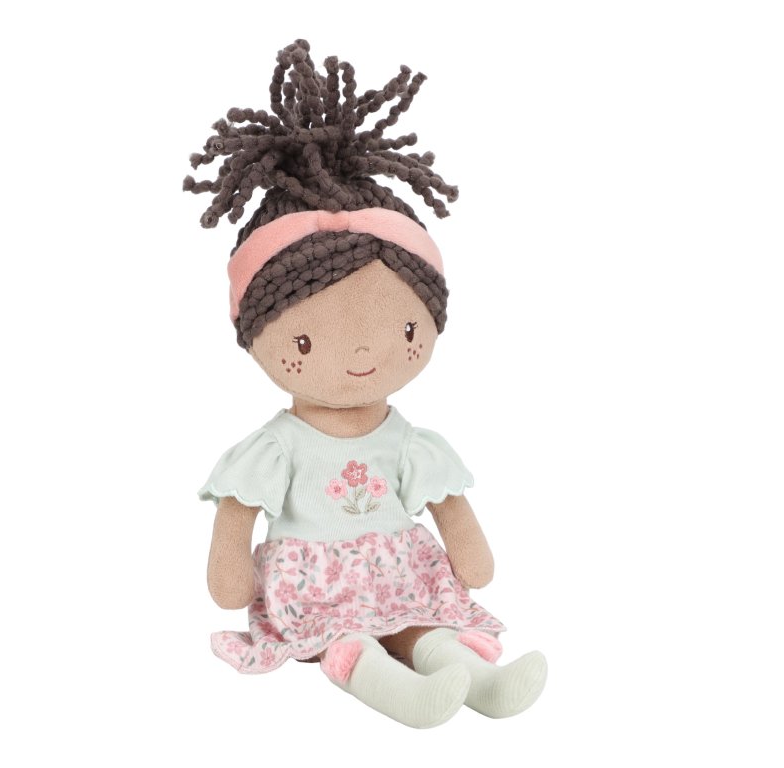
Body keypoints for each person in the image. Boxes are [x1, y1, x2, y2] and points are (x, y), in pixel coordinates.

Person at [186, 39, 547, 728]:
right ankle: (394, 692)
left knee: (425, 624)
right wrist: (232, 574)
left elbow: (448, 508)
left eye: (406, 331)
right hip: (314, 580)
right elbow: (238, 513)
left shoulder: (410, 440)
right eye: (304, 342)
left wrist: (467, 550)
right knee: (346, 638)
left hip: (399, 569)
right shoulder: (277, 447)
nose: (362, 354)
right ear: (259, 333)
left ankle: (478, 679)